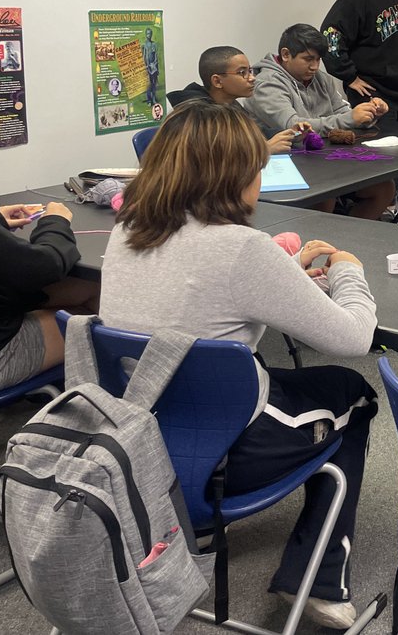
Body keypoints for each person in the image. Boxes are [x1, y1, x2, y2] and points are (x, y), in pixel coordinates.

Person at [98, 101, 378, 630]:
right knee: (352, 395)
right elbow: (354, 336)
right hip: (224, 456)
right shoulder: (242, 249)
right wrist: (348, 272)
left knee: (302, 386)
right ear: (235, 175)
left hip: (137, 447)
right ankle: (318, 578)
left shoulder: (128, 227)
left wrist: (285, 279)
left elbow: (199, 299)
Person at [0, 76, 99, 480]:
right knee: (100, 308)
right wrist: (55, 220)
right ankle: (106, 446)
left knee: (83, 290)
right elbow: (45, 265)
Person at [241, 24, 395, 219]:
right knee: (324, 195)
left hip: (325, 161)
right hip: (285, 166)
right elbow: (295, 126)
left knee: (383, 188)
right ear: (286, 55)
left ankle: (347, 239)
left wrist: (368, 114)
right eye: (308, 59)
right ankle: (318, 242)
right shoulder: (266, 84)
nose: (314, 66)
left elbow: (342, 112)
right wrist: (349, 118)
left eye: (318, 59)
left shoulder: (321, 79)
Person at [167, 45, 301, 153]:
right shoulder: (195, 115)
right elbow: (212, 158)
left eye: (250, 71)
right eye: (242, 73)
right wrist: (264, 150)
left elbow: (257, 133)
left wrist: (292, 134)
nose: (252, 78)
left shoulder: (231, 104)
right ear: (217, 81)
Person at [142, 28, 160, 108]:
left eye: (150, 33)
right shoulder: (144, 45)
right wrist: (146, 66)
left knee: (154, 84)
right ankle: (149, 100)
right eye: (147, 34)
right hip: (148, 67)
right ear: (146, 34)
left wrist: (156, 64)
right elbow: (144, 56)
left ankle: (153, 99)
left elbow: (155, 55)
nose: (149, 35)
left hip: (154, 67)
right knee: (148, 85)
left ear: (151, 34)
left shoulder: (154, 44)